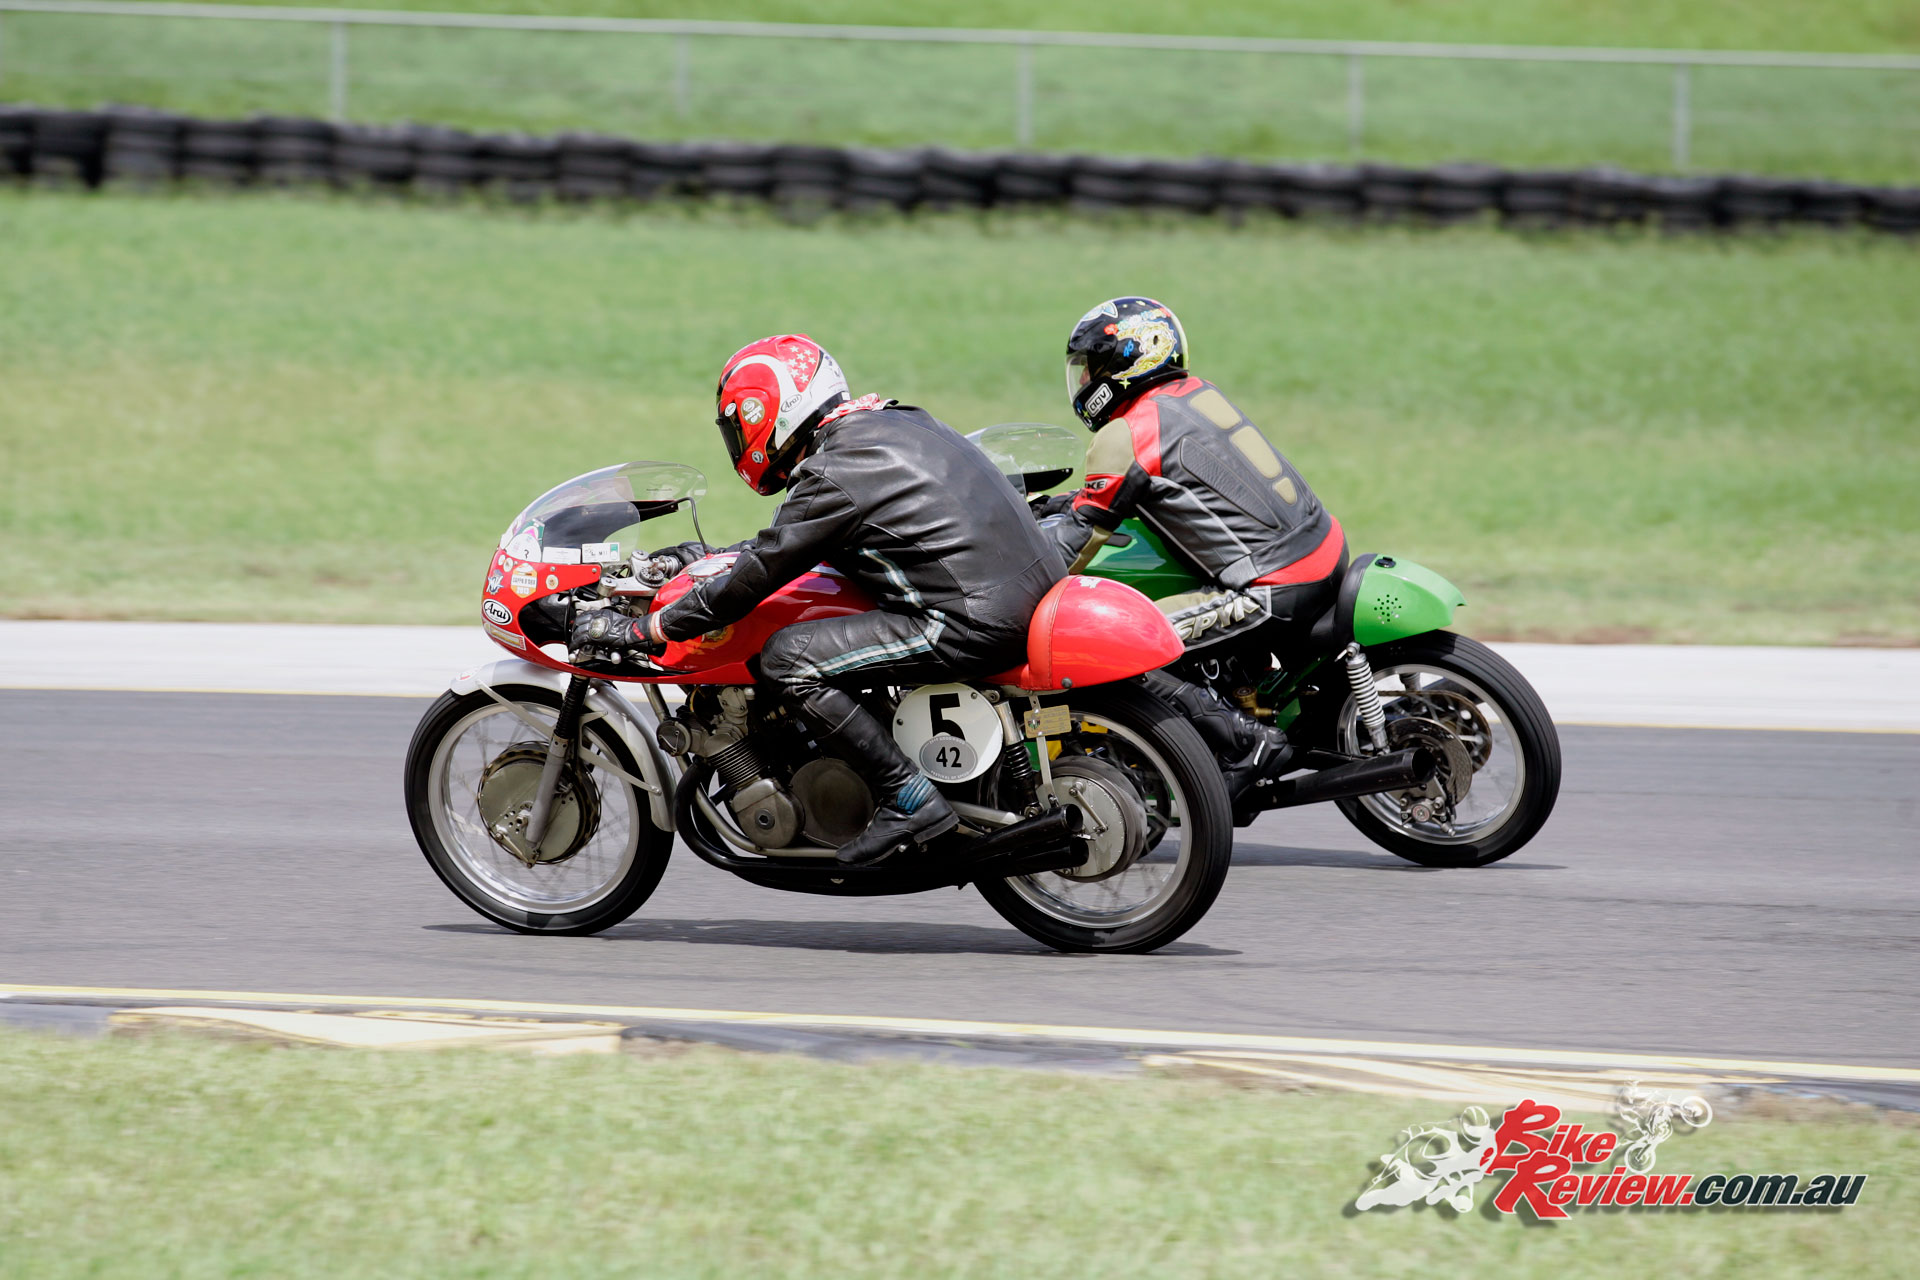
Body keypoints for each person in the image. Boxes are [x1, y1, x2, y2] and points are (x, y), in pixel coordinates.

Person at [574, 334, 1064, 865]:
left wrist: (652, 628)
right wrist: (712, 556)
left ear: (769, 413)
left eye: (738, 427)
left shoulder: (834, 471)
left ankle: (910, 799)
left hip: (969, 621)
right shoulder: (893, 423)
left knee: (788, 659)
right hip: (1029, 595)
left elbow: (763, 571)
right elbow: (795, 542)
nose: (738, 442)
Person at [1038, 296, 1348, 815]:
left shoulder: (1125, 434)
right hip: (1323, 552)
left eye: (1090, 367)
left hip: (1270, 589)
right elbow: (1147, 488)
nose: (1085, 380)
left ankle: (1246, 742)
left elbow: (1079, 537)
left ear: (1125, 360)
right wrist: (1057, 503)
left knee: (1120, 645)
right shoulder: (1193, 396)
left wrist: (1016, 579)